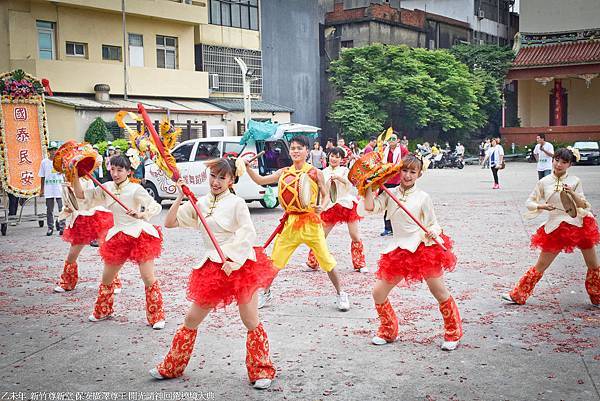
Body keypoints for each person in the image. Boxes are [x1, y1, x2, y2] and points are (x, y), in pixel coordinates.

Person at [150, 159, 277, 389]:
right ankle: (172, 366)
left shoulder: (237, 203)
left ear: (231, 180)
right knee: (191, 319)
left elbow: (248, 234)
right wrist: (180, 196)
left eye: (222, 177)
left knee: (249, 320)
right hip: (212, 268)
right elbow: (170, 223)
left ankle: (261, 370)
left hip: (239, 265)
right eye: (213, 176)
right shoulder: (201, 203)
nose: (216, 182)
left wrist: (233, 259)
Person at [359, 154, 462, 351]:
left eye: (412, 172)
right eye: (404, 170)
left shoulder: (424, 197)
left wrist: (434, 231)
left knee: (439, 291)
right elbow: (370, 207)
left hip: (423, 247)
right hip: (399, 250)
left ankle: (453, 332)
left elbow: (433, 223)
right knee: (378, 293)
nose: (407, 175)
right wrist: (369, 187)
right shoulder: (389, 193)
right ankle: (388, 330)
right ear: (399, 171)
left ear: (419, 174)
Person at [244, 135, 350, 311]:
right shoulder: (284, 172)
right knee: (275, 261)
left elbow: (325, 195)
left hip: (311, 222)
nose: (295, 151)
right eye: (292, 148)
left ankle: (341, 294)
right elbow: (260, 180)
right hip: (291, 222)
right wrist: (247, 168)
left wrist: (321, 208)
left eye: (299, 148)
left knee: (327, 261)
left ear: (307, 151)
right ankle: (266, 293)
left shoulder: (315, 172)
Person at [73, 155, 165, 329]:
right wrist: (75, 177)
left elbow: (154, 206)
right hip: (117, 235)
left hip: (139, 234)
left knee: (147, 277)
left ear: (129, 172)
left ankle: (157, 316)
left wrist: (141, 214)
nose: (115, 173)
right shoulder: (105, 187)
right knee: (107, 278)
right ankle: (103, 310)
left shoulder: (135, 189)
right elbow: (82, 196)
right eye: (113, 169)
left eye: (120, 170)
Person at [502, 148, 600, 307]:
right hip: (556, 226)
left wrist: (572, 194)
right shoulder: (544, 181)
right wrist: (542, 206)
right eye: (557, 160)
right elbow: (529, 202)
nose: (559, 164)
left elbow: (583, 204)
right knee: (541, 265)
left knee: (593, 264)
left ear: (570, 164)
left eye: (564, 162)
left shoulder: (575, 181)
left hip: (580, 224)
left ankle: (598, 297)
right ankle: (518, 295)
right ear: (552, 160)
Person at [306, 147, 367, 273]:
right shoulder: (322, 172)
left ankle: (360, 263)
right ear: (328, 156)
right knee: (321, 235)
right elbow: (321, 190)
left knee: (355, 235)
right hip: (329, 206)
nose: (334, 159)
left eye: (337, 157)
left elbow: (351, 185)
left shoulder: (345, 170)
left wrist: (339, 178)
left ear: (341, 159)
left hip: (346, 204)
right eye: (332, 156)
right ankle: (312, 262)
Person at [54, 177, 116, 293]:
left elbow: (90, 199)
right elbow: (68, 203)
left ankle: (114, 282)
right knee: (72, 255)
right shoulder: (63, 182)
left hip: (94, 217)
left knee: (106, 250)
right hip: (79, 220)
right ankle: (67, 282)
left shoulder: (86, 180)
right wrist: (67, 209)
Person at [380, 134, 408, 237]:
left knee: (398, 204)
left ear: (398, 140)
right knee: (387, 204)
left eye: (393, 139)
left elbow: (407, 162)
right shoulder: (384, 150)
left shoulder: (403, 150)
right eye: (389, 139)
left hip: (397, 180)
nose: (391, 141)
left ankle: (399, 227)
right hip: (385, 180)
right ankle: (387, 228)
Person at [38, 142, 65, 236]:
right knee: (49, 209)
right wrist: (42, 190)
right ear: (48, 151)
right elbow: (42, 176)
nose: (53, 152)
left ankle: (62, 227)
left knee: (62, 208)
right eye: (51, 150)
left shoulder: (61, 161)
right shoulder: (44, 162)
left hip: (59, 188)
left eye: (55, 150)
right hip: (49, 189)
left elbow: (65, 175)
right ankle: (50, 227)